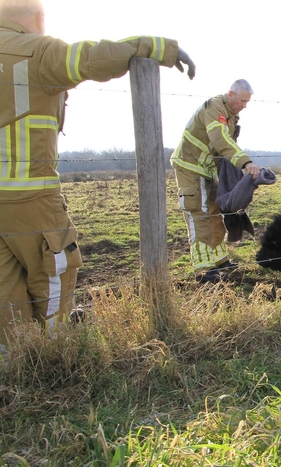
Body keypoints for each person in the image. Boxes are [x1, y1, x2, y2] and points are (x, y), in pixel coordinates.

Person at [0, 0, 195, 350]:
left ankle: (16, 368)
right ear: (36, 20)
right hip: (30, 196)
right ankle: (55, 359)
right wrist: (156, 47)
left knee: (5, 292)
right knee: (54, 275)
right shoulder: (35, 50)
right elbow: (93, 57)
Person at [170, 79, 260, 284]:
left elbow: (225, 145)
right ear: (230, 94)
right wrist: (245, 163)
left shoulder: (231, 114)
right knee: (199, 216)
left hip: (208, 170)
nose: (244, 106)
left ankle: (220, 260)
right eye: (242, 101)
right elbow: (220, 139)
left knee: (214, 214)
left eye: (247, 102)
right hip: (190, 167)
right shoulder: (215, 108)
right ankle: (203, 269)